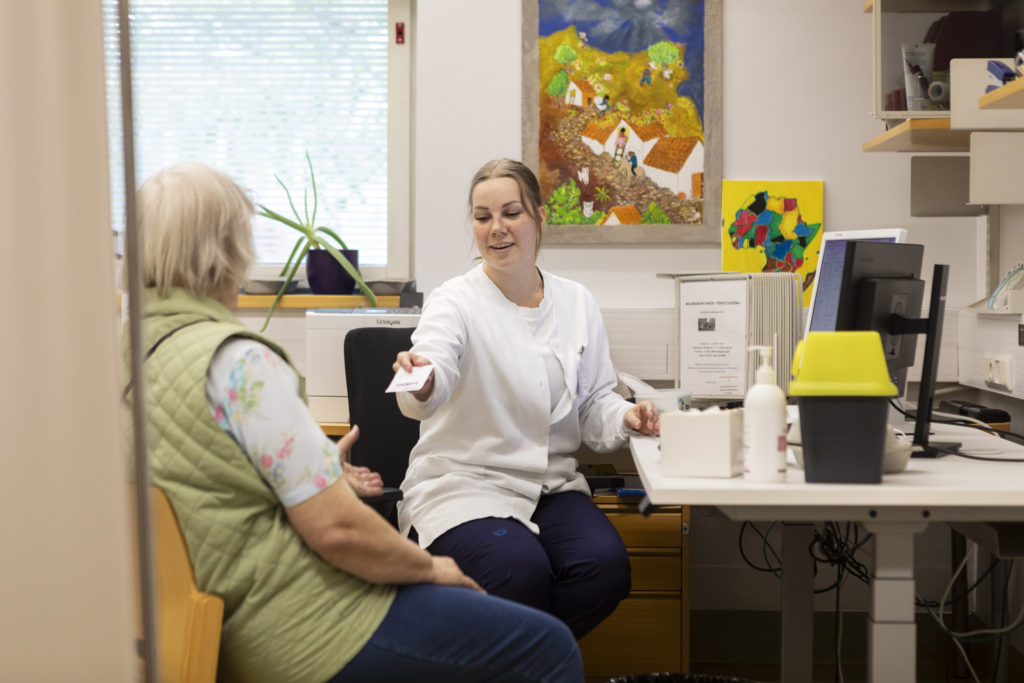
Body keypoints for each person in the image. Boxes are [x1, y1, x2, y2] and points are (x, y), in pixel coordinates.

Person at [126, 161, 584, 683]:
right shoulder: (240, 365)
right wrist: (432, 570)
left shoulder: (120, 358)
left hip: (184, 621)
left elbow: (200, 480)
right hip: (298, 624)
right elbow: (338, 530)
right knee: (548, 647)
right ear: (227, 252)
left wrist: (319, 471)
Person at [392, 158, 660, 639]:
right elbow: (433, 363)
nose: (496, 228)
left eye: (510, 212)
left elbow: (595, 400)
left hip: (550, 488)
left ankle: (505, 662)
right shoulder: (453, 301)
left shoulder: (576, 301)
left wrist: (626, 417)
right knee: (521, 572)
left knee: (605, 569)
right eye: (482, 216)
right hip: (465, 484)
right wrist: (423, 379)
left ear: (538, 218)